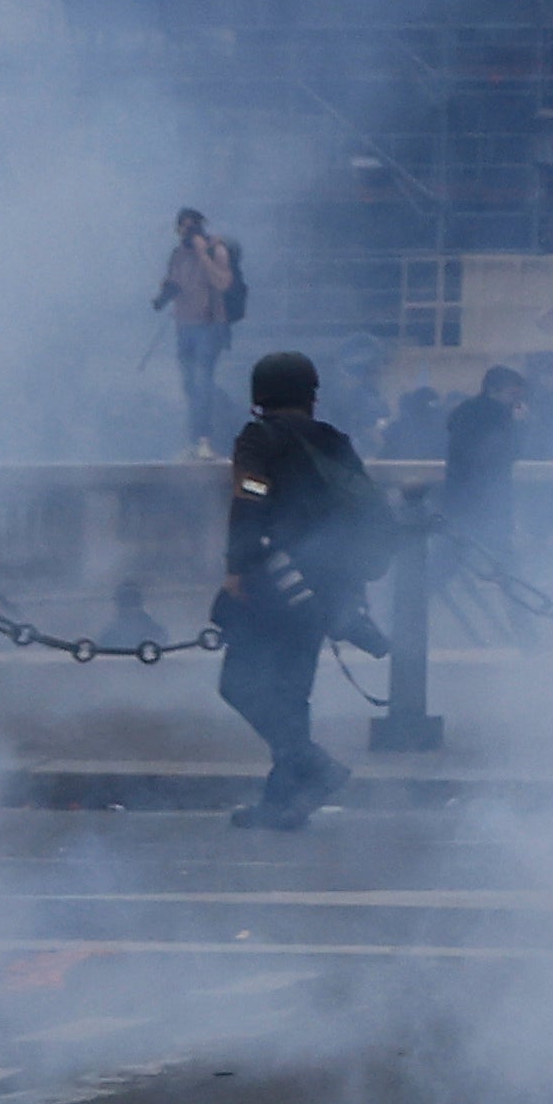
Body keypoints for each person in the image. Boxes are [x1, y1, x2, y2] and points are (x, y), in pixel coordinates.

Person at [213, 348, 392, 832]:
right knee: (292, 693)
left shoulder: (259, 437)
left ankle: (313, 765)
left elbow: (250, 498)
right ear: (310, 395)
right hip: (326, 586)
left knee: (240, 684)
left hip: (274, 580)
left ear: (259, 395)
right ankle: (282, 803)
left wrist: (237, 568)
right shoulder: (333, 439)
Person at [155, 210, 250, 450]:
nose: (188, 233)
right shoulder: (177, 255)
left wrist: (202, 255)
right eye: (183, 228)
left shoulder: (216, 250)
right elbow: (174, 281)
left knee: (201, 379)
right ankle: (195, 438)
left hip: (210, 326)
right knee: (189, 383)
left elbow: (222, 282)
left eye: (193, 227)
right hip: (184, 325)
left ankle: (203, 439)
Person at [437, 363, 529, 555]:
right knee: (501, 556)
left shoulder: (464, 411)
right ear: (492, 390)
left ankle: (427, 585)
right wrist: (519, 426)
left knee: (451, 553)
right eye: (512, 395)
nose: (516, 402)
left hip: (459, 495)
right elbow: (504, 452)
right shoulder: (498, 416)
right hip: (485, 496)